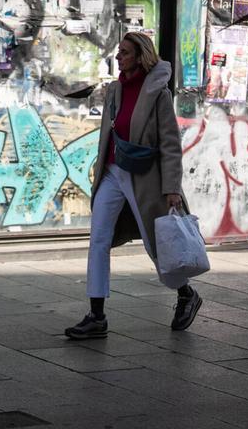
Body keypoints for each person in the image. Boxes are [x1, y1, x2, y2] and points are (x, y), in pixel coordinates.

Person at [66, 32, 202, 339]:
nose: (118, 57)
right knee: (98, 238)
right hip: (113, 173)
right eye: (118, 52)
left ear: (140, 56)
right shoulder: (115, 90)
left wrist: (172, 187)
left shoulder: (157, 93)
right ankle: (96, 315)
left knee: (159, 244)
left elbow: (170, 143)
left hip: (145, 177)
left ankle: (186, 294)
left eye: (125, 53)